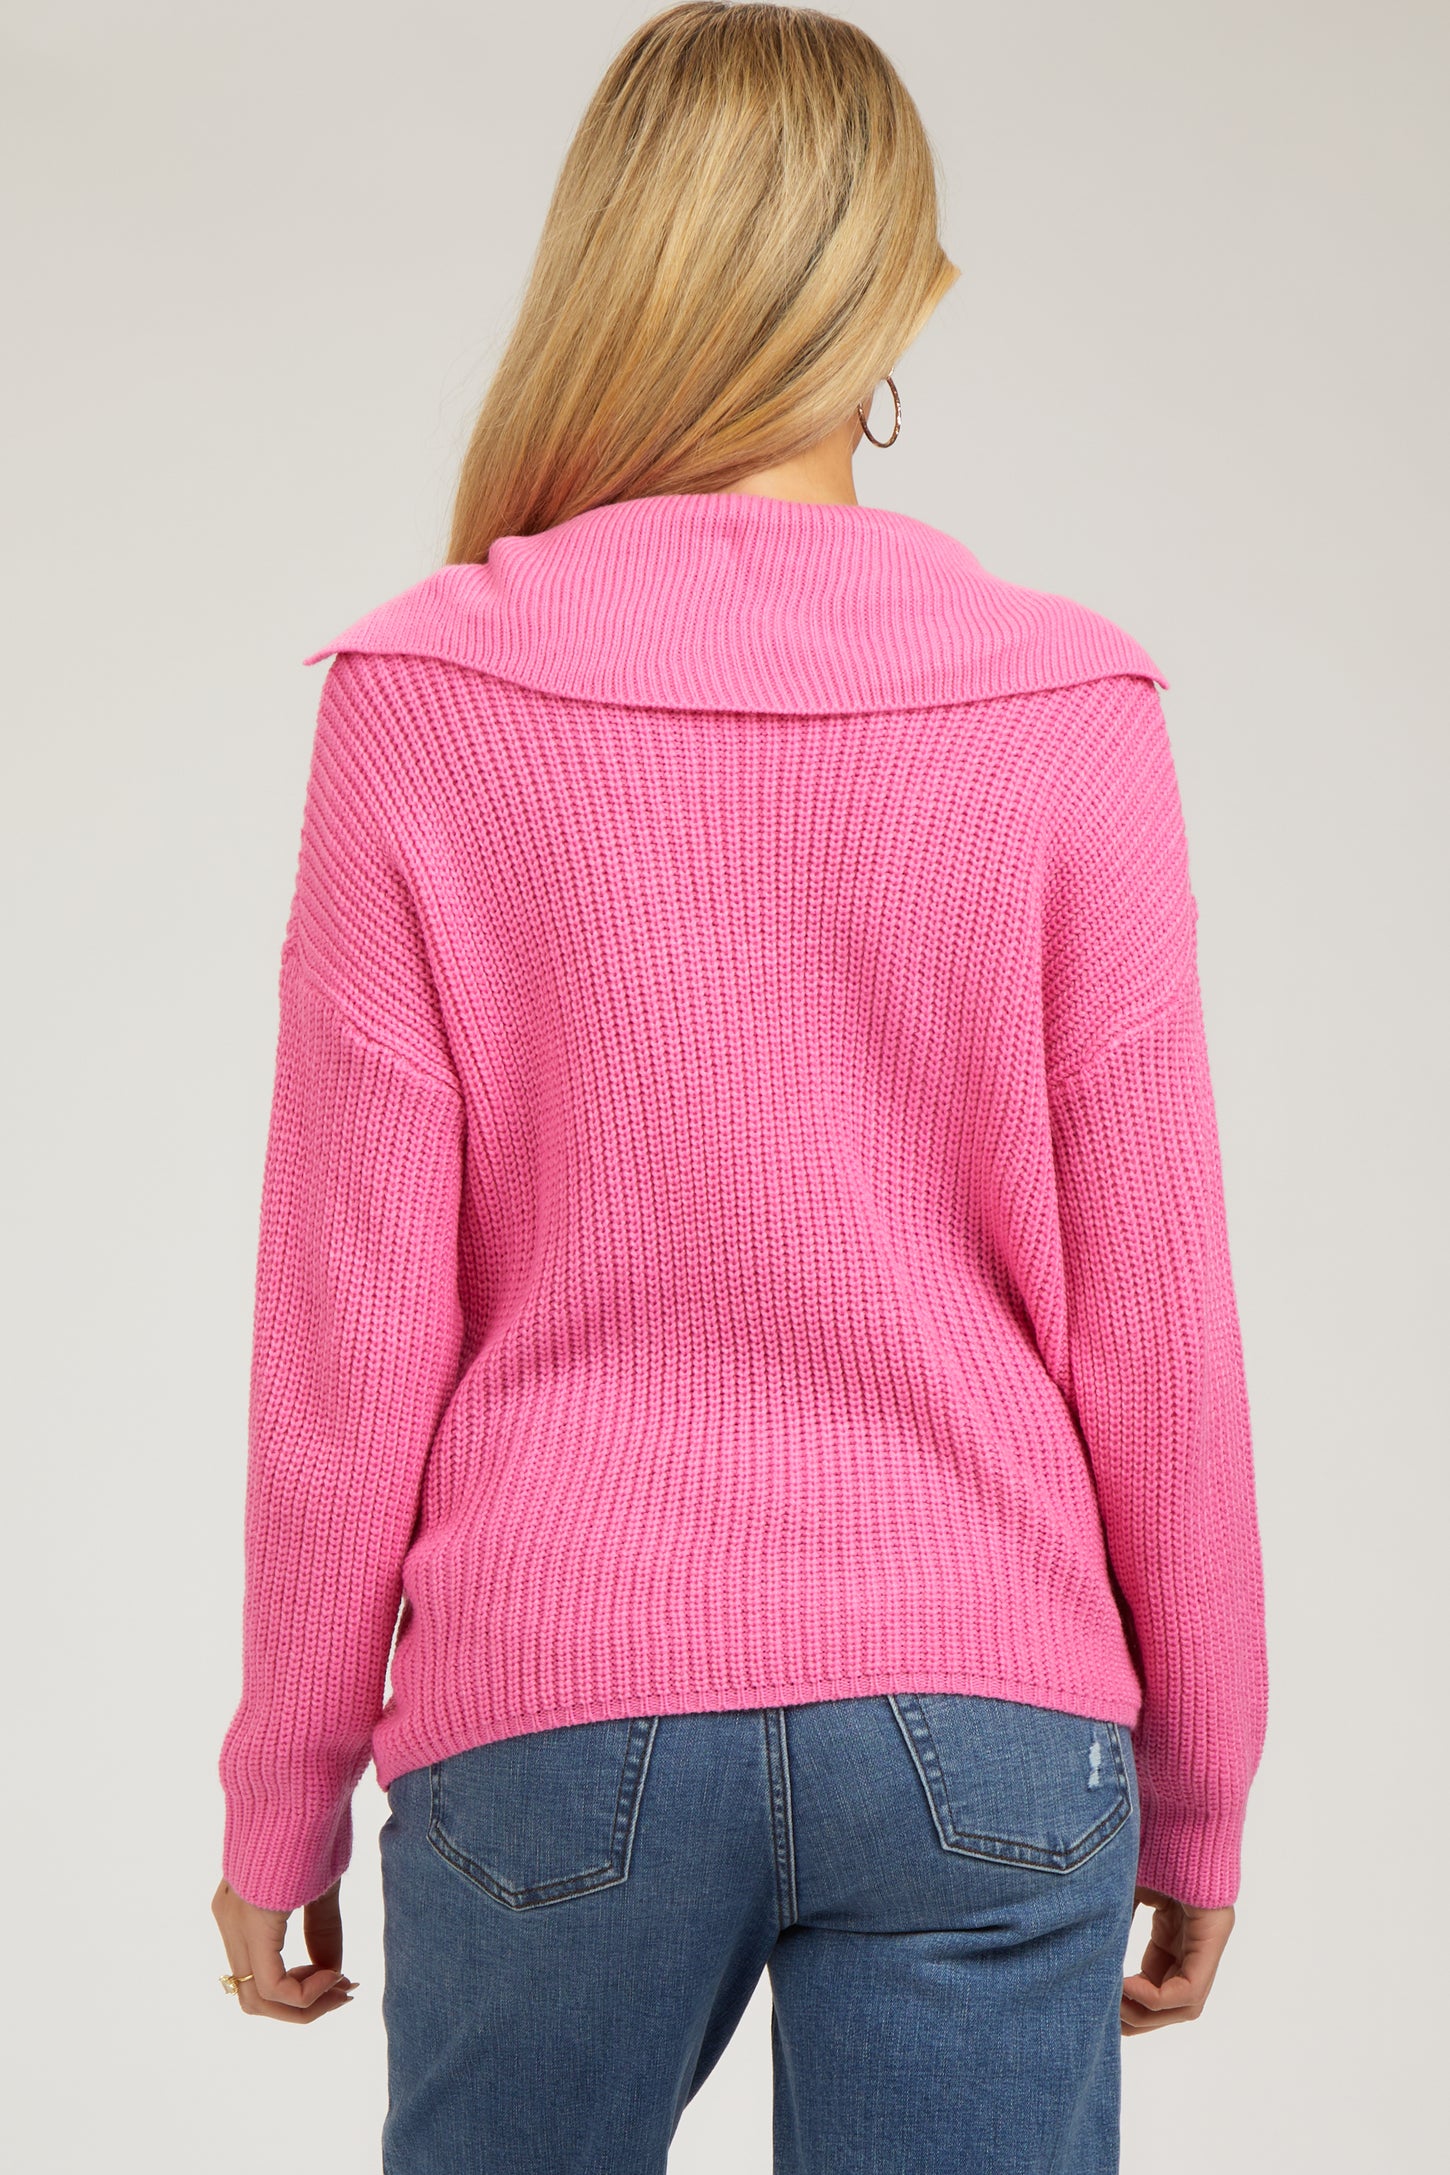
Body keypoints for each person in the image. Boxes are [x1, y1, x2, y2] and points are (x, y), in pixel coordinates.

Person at [212, 6, 1268, 2169]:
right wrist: (1202, 1784)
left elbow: (349, 1327)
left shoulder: (423, 694)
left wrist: (278, 1786)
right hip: (987, 1699)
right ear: (895, 293)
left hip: (551, 1702)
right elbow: (1156, 1314)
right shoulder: (1069, 706)